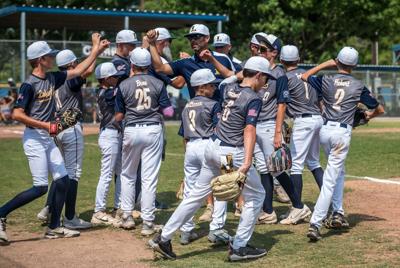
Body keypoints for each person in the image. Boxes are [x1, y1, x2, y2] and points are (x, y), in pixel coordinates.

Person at [148, 56, 273, 262]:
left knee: (196, 195)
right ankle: (239, 247)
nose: (265, 83)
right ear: (258, 75)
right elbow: (249, 128)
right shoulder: (253, 98)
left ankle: (163, 237)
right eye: (265, 78)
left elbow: (230, 79)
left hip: (213, 147)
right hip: (231, 153)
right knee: (257, 195)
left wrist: (244, 71)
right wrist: (248, 160)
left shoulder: (228, 89)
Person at [0, 34, 109, 243]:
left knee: (63, 180)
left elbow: (78, 70)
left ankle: (54, 227)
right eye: (49, 55)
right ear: (40, 60)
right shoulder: (29, 84)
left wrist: (97, 49)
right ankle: (1, 213)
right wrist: (47, 125)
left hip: (48, 138)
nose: (52, 58)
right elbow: (17, 114)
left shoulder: (52, 78)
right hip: (34, 138)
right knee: (40, 187)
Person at [302, 47, 385, 241]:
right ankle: (316, 223)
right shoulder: (358, 85)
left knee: (339, 171)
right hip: (341, 133)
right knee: (331, 178)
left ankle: (338, 212)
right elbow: (379, 109)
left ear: (337, 61)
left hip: (325, 131)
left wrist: (326, 64)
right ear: (354, 66)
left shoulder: (326, 80)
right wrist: (367, 116)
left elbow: (305, 76)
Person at [115, 47, 174, 235]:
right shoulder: (157, 83)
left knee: (127, 174)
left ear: (132, 64)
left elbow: (119, 115)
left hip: (131, 129)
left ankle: (127, 216)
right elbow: (169, 112)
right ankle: (148, 223)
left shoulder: (123, 85)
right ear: (148, 65)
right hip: (153, 130)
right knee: (149, 178)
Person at [36, 49, 95, 230]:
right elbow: (88, 70)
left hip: (55, 128)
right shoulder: (70, 78)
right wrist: (95, 49)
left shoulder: (52, 79)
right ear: (70, 64)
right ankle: (70, 217)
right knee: (73, 173)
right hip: (70, 127)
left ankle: (48, 208)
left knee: (60, 172)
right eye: (75, 62)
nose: (77, 64)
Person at [275, 45, 325, 224]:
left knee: (295, 166)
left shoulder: (284, 77)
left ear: (281, 60)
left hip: (303, 121)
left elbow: (283, 105)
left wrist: (278, 130)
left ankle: (296, 209)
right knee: (313, 162)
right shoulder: (309, 73)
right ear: (298, 59)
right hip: (318, 118)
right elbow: (320, 101)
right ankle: (329, 204)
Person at [177, 68, 221, 245]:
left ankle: (186, 231)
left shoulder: (187, 105)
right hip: (207, 145)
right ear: (202, 86)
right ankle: (217, 228)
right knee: (219, 186)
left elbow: (184, 134)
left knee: (190, 190)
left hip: (191, 148)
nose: (214, 88)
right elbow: (218, 130)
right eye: (211, 85)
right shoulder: (212, 104)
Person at [146, 24, 235, 101]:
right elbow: (159, 68)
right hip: (199, 114)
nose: (192, 41)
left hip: (221, 114)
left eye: (196, 37)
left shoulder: (223, 58)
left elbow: (236, 81)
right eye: (190, 38)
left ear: (207, 38)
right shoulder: (185, 63)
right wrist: (152, 44)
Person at [91, 62, 125, 226]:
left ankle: (118, 207)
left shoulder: (106, 90)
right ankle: (99, 210)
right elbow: (123, 92)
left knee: (120, 172)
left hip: (115, 134)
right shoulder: (107, 92)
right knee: (106, 173)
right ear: (106, 79)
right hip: (109, 135)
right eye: (114, 76)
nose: (117, 79)